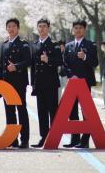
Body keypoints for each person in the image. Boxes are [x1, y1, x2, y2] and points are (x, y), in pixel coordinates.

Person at [62, 19, 98, 149]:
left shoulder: (90, 45)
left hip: (85, 82)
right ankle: (74, 139)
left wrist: (85, 57)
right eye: (76, 28)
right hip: (72, 82)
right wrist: (72, 75)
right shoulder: (68, 46)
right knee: (72, 111)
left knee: (86, 111)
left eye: (80, 28)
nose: (78, 30)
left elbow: (95, 63)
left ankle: (85, 140)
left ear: (85, 30)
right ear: (72, 30)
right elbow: (65, 64)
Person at [0, 18, 31, 149]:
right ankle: (12, 139)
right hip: (6, 83)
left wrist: (16, 66)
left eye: (13, 26)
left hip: (19, 82)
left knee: (21, 110)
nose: (11, 29)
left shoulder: (23, 44)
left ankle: (24, 139)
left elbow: (28, 61)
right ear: (6, 29)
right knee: (9, 111)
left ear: (18, 28)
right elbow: (1, 66)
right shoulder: (4, 44)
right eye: (9, 26)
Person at [30, 17, 62, 148]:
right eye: (40, 26)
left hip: (51, 83)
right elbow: (33, 66)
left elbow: (60, 61)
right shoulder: (35, 44)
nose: (42, 28)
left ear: (48, 28)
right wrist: (32, 83)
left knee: (52, 110)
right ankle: (43, 137)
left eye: (44, 26)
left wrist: (48, 60)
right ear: (37, 28)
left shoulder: (54, 44)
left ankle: (53, 137)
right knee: (41, 111)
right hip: (39, 83)